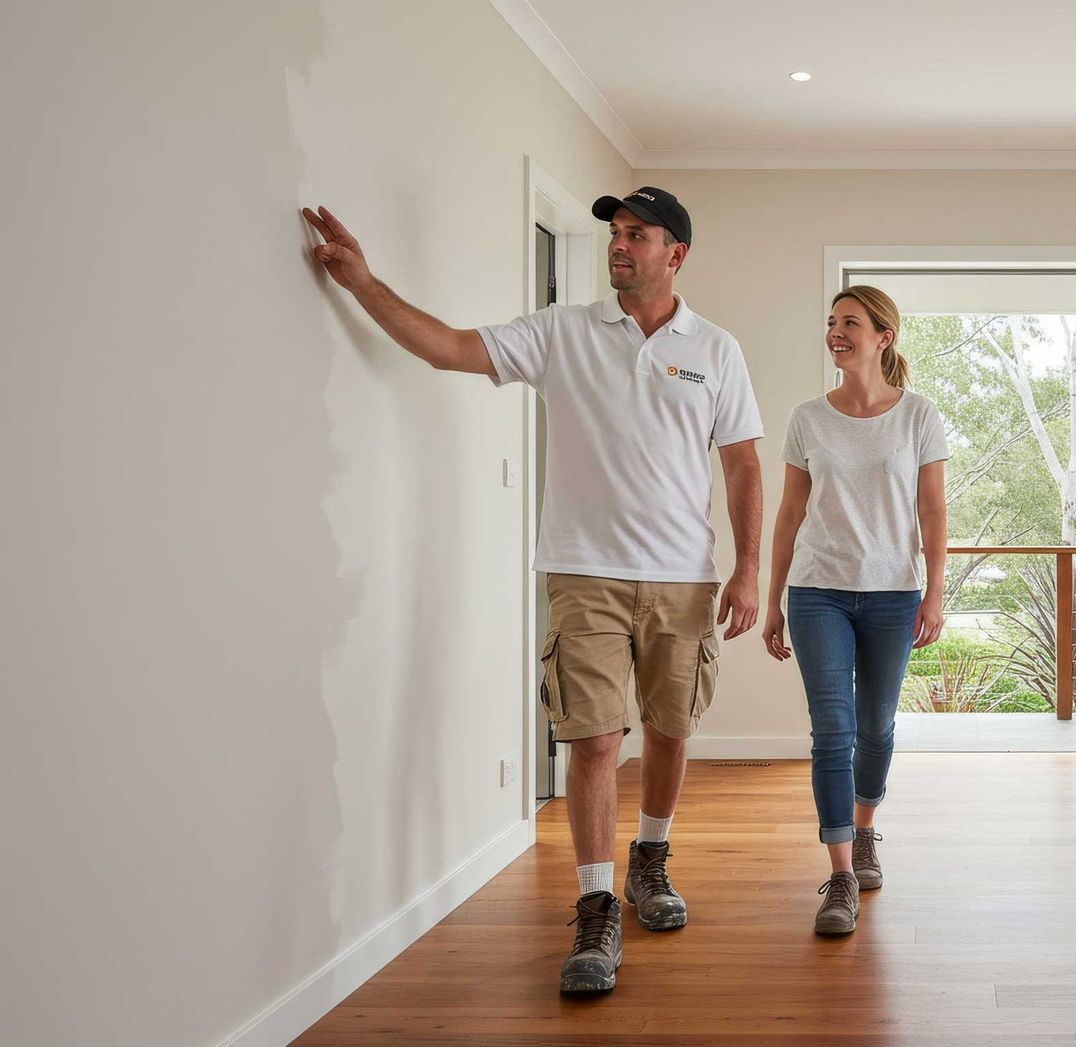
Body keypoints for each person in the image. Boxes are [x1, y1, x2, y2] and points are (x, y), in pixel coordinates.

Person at [301, 188, 763, 994]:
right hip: (583, 569)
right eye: (614, 232)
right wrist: (364, 283)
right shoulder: (563, 332)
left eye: (637, 234)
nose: (618, 243)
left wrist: (749, 566)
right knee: (593, 740)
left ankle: (650, 859)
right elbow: (449, 348)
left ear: (675, 253)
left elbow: (743, 464)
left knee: (670, 727)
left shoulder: (716, 350)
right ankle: (596, 906)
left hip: (683, 574)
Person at [761, 285, 949, 935]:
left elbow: (932, 509)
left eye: (850, 322)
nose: (836, 332)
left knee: (876, 726)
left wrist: (935, 590)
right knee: (832, 729)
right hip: (818, 591)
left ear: (883, 336)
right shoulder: (808, 418)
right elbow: (790, 513)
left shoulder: (918, 415)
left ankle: (865, 829)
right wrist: (772, 597)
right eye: (831, 322)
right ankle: (841, 873)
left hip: (894, 592)